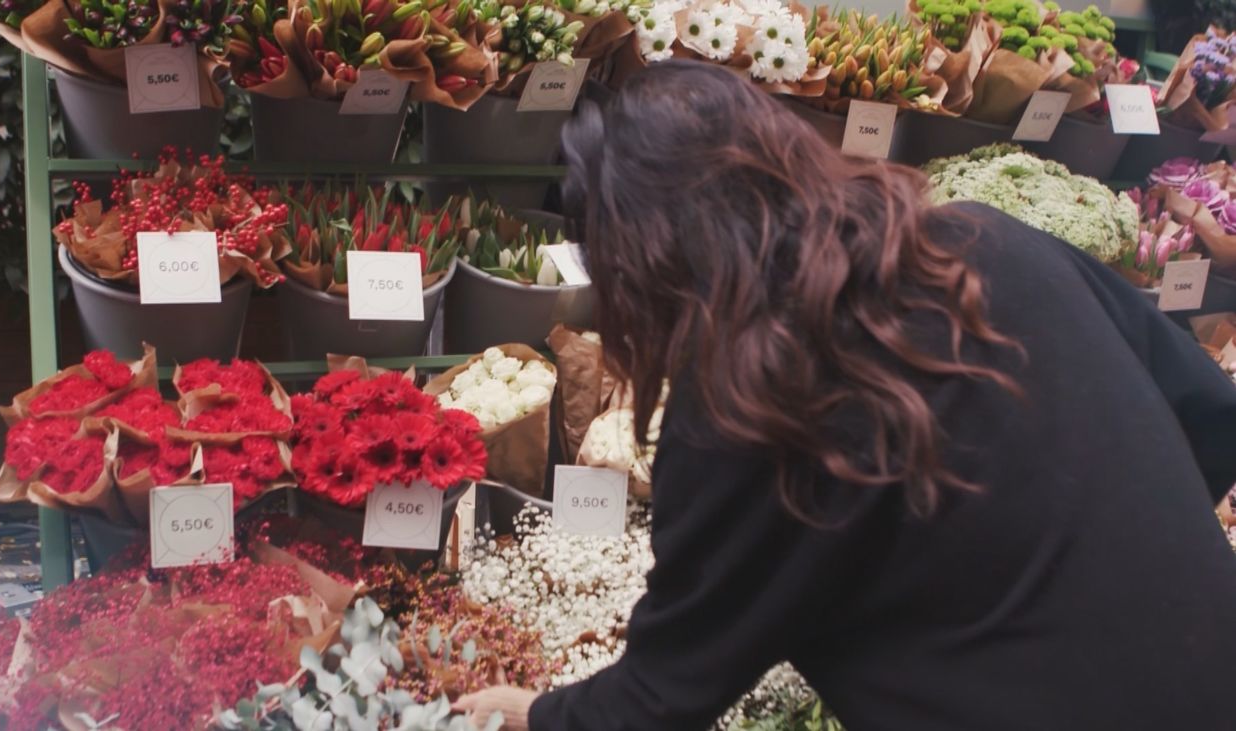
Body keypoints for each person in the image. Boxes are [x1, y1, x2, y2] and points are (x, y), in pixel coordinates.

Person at [453, 60, 1236, 730]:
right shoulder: (984, 240)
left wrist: (538, 714)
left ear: (640, 261)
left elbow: (667, 691)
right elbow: (1211, 419)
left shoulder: (745, 387)